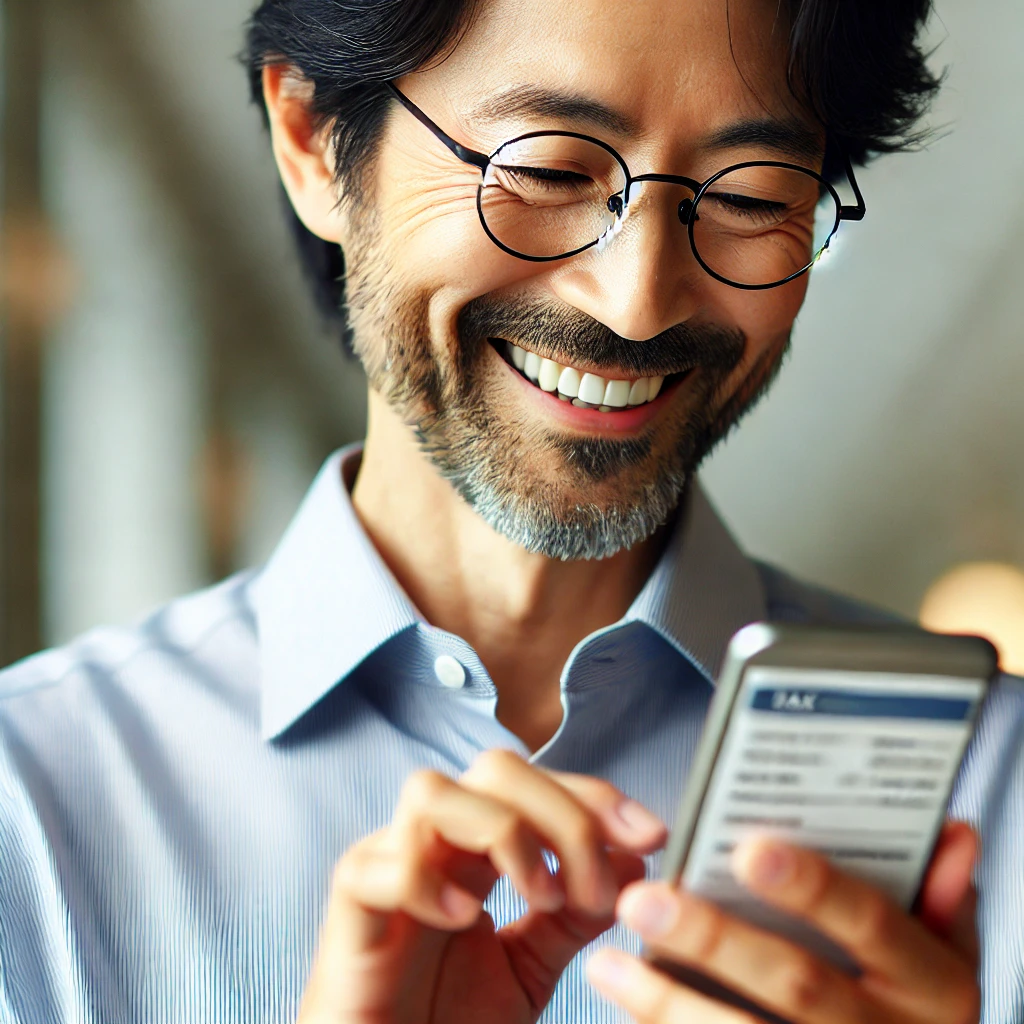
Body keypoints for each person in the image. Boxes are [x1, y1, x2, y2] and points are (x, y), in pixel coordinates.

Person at [1, 0, 1021, 1020]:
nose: (638, 300)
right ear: (312, 139)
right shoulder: (31, 811)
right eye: (547, 169)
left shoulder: (997, 804)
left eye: (750, 194)